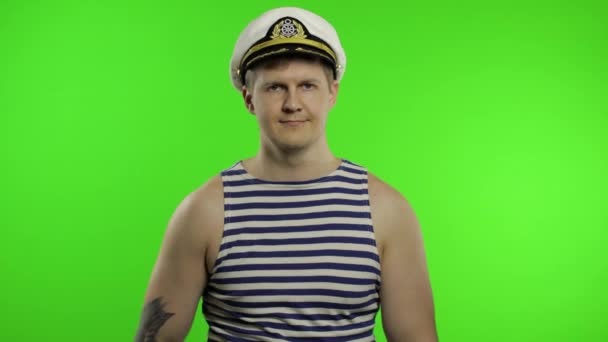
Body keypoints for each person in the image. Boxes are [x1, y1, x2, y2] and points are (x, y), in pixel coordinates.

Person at [135, 6, 438, 342]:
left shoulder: (386, 210)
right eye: (275, 87)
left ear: (332, 93)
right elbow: (154, 337)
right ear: (249, 99)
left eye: (307, 85)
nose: (293, 103)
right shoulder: (205, 211)